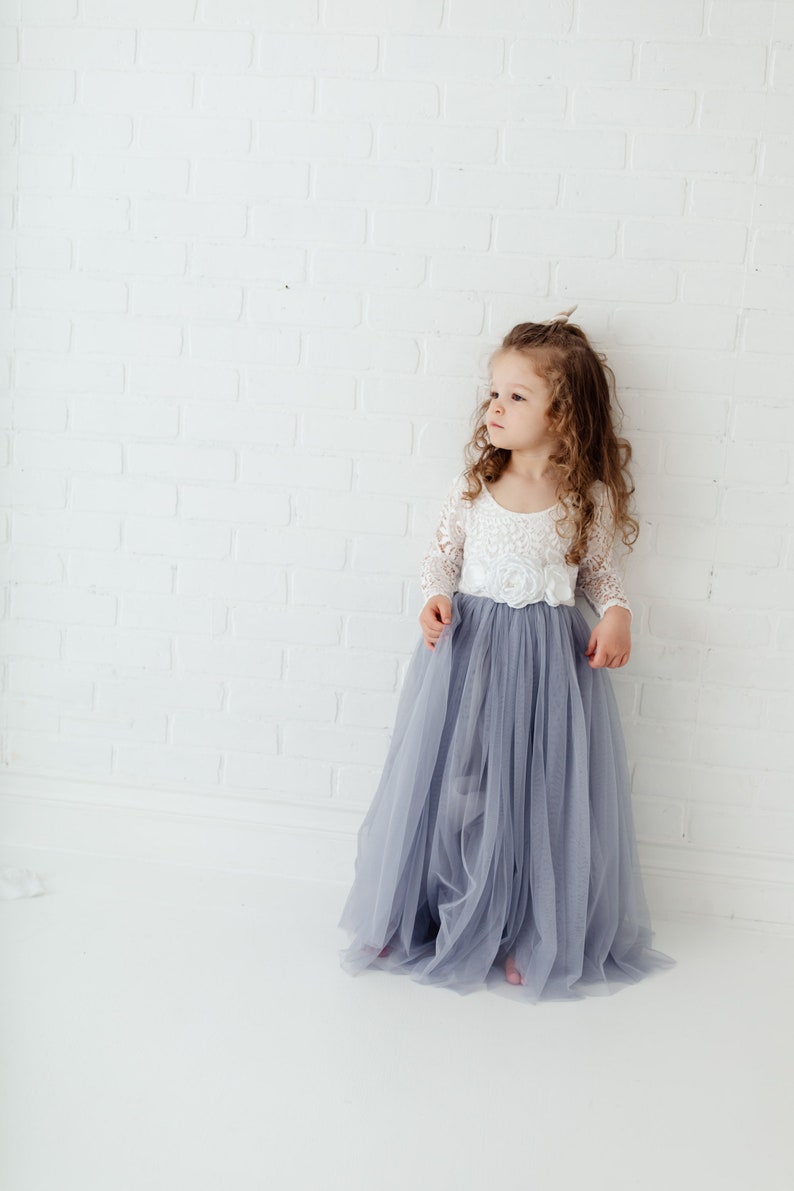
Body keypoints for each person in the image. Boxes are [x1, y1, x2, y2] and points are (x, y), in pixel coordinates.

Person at [337, 308, 676, 1003]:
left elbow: (602, 576)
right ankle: (422, 912)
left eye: (517, 395)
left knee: (537, 798)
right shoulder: (474, 488)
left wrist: (617, 613)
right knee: (451, 789)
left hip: (549, 673)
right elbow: (441, 559)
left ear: (565, 414)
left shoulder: (585, 500)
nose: (495, 405)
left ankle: (533, 929)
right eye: (494, 391)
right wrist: (433, 598)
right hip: (469, 663)